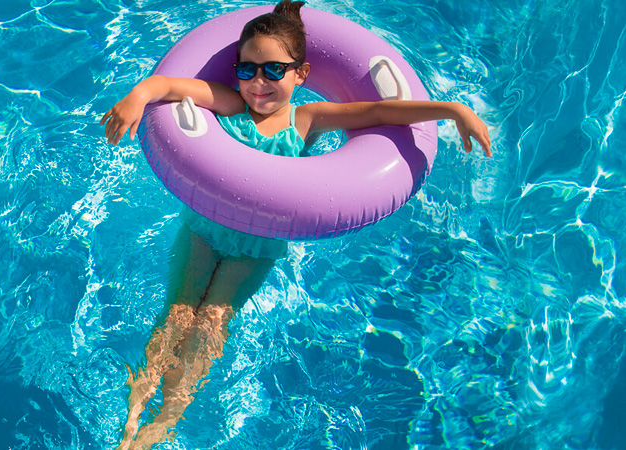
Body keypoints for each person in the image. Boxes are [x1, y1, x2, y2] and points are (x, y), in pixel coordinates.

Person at [101, 1, 492, 448]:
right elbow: (169, 84)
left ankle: (164, 422)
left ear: (301, 74)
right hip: (204, 230)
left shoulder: (307, 120)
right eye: (247, 70)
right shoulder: (230, 103)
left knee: (211, 320)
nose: (259, 82)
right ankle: (132, 417)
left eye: (274, 70)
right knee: (178, 311)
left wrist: (453, 110)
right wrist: (137, 95)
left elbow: (378, 113)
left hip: (256, 249)